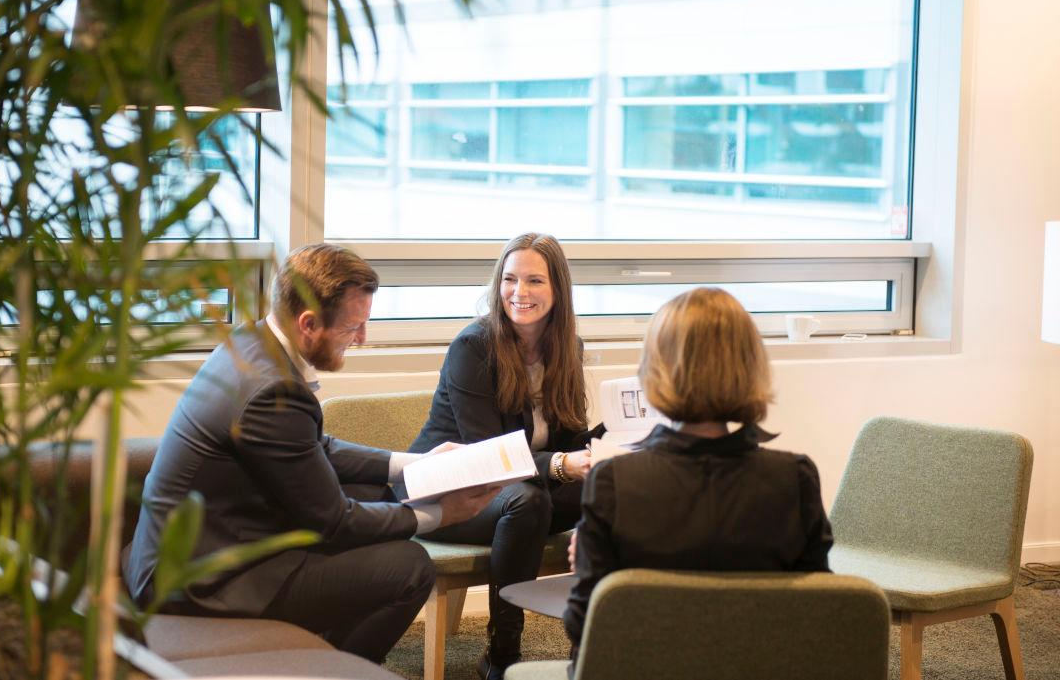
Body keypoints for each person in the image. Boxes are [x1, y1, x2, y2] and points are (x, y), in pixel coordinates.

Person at [123, 244, 496, 664]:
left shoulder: (252, 342)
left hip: (204, 544)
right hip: (205, 580)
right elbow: (335, 521)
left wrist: (414, 464)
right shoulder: (272, 391)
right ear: (309, 324)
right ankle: (330, 669)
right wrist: (443, 514)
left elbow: (314, 448)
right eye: (353, 328)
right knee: (408, 568)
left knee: (370, 489)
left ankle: (316, 654)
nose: (362, 339)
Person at [563, 287, 834, 653]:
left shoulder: (613, 483)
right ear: (750, 367)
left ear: (654, 371)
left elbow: (583, 627)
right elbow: (820, 613)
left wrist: (584, 563)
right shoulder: (795, 479)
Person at [408, 233, 600, 680]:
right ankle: (501, 655)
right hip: (451, 490)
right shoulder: (472, 348)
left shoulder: (567, 348)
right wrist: (560, 465)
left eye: (535, 280)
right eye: (510, 279)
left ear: (558, 290)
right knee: (526, 501)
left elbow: (570, 439)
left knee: (610, 487)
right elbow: (489, 457)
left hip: (525, 488)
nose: (520, 292)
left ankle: (591, 640)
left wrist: (613, 445)